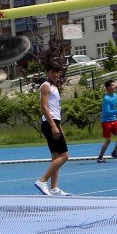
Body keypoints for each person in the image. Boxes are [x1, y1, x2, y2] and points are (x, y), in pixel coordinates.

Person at [34, 62, 70, 196]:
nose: (56, 74)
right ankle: (42, 180)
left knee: (56, 156)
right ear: (47, 72)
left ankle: (54, 188)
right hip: (50, 124)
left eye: (57, 72)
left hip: (55, 122)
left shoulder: (54, 87)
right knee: (65, 156)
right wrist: (53, 126)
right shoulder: (45, 86)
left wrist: (59, 126)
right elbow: (44, 107)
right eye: (53, 71)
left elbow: (55, 110)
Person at [97, 79, 117, 163]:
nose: (114, 86)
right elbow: (107, 112)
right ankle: (100, 157)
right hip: (106, 121)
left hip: (114, 120)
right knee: (108, 140)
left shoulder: (115, 96)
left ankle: (114, 153)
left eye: (114, 85)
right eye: (113, 85)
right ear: (108, 87)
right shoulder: (106, 99)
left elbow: (113, 109)